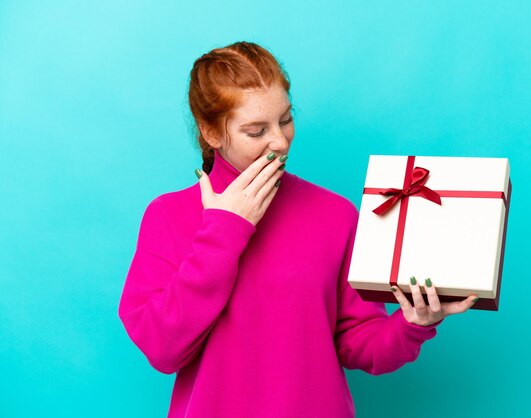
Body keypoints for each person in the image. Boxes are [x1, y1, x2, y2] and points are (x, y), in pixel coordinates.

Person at [118, 41, 478, 418]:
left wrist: (411, 325)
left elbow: (357, 342)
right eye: (256, 131)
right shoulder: (168, 216)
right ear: (210, 132)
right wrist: (224, 230)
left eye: (286, 120)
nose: (280, 141)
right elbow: (162, 348)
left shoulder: (334, 214)